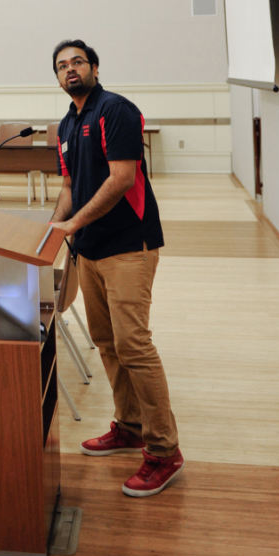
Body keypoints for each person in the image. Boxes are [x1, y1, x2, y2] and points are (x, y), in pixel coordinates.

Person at [50, 39, 184, 497]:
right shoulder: (66, 124)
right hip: (89, 250)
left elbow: (122, 177)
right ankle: (129, 425)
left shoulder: (116, 110)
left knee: (134, 345)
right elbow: (69, 185)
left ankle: (164, 451)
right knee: (107, 343)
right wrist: (55, 227)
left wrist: (74, 222)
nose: (70, 70)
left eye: (77, 62)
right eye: (62, 66)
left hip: (129, 246)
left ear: (95, 68)